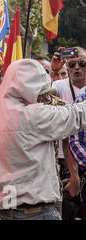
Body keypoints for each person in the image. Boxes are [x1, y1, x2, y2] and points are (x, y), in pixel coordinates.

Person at [0, 59, 86, 220]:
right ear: (31, 89)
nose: (44, 99)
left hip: (4, 214)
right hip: (39, 213)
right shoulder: (33, 115)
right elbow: (78, 115)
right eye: (42, 93)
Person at [51, 47, 86, 218]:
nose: (77, 68)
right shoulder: (58, 85)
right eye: (72, 64)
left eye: (82, 63)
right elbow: (39, 95)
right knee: (69, 209)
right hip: (65, 158)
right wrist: (54, 71)